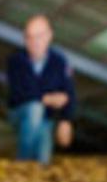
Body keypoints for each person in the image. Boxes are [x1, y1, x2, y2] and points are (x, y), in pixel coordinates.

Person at [7, 14, 77, 165]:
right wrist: (47, 99)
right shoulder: (15, 61)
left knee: (43, 162)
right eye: (29, 37)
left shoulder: (59, 61)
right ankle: (22, 162)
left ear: (49, 36)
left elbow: (69, 92)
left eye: (39, 36)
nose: (34, 42)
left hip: (46, 118)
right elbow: (18, 93)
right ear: (25, 39)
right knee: (35, 108)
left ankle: (34, 163)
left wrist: (66, 120)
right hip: (19, 113)